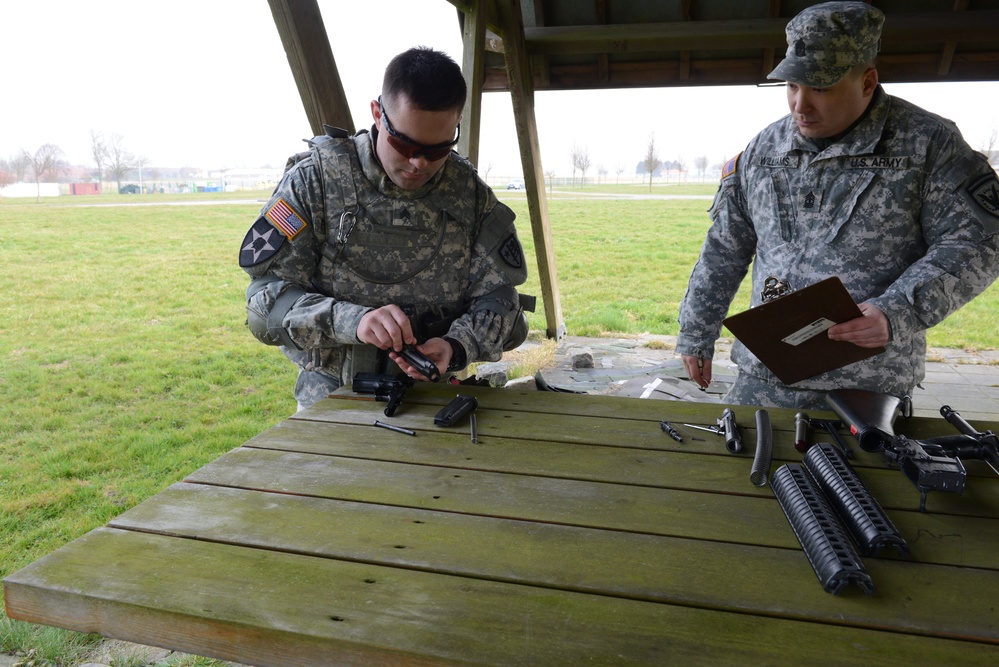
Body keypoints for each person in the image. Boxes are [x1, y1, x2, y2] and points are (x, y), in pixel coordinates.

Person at [677, 2, 999, 409]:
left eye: (821, 88)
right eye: (792, 86)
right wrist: (697, 330)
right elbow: (725, 246)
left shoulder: (927, 145)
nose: (800, 105)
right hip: (765, 375)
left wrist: (898, 310)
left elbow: (981, 240)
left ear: (867, 81)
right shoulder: (765, 149)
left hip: (867, 382)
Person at [239, 47, 530, 410]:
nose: (418, 163)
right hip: (332, 396)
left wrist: (456, 346)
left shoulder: (468, 194)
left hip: (436, 395)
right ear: (378, 114)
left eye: (438, 149)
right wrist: (353, 321)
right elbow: (265, 304)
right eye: (404, 143)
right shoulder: (315, 182)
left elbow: (502, 300)